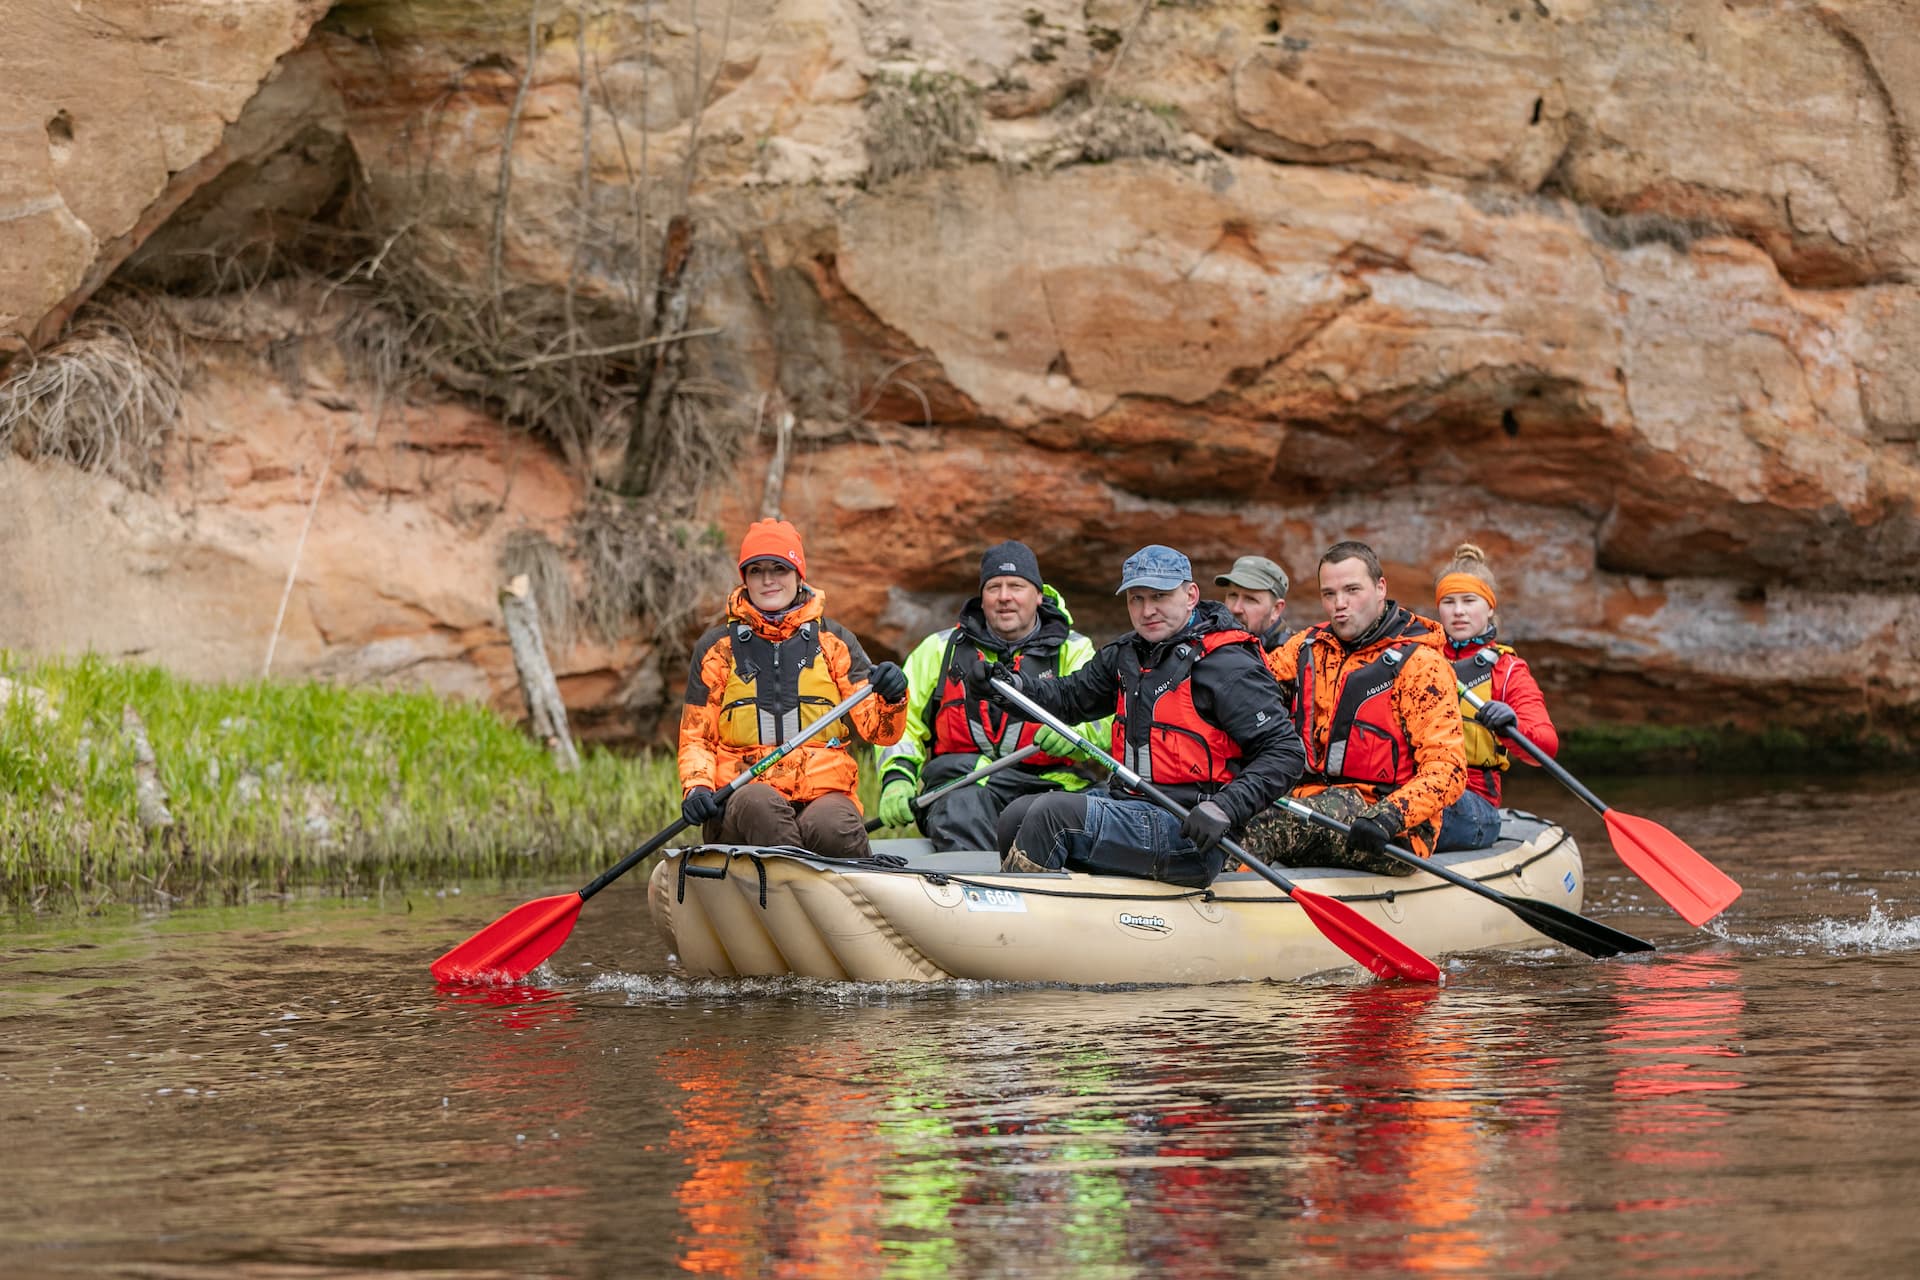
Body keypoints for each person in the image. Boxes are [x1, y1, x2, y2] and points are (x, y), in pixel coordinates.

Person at [982, 545, 1305, 887]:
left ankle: (1025, 922)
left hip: (1190, 832)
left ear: (1190, 595)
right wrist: (1007, 685)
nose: (1147, 610)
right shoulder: (1128, 653)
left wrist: (1225, 807)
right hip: (1130, 807)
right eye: (1136, 599)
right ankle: (1038, 910)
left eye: (1159, 596)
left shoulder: (1228, 663)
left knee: (1052, 816)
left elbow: (1285, 752)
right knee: (1016, 815)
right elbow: (1067, 698)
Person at [677, 519, 910, 858]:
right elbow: (696, 737)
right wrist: (697, 788)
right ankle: (796, 886)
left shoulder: (836, 643)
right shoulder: (717, 648)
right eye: (756, 571)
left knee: (833, 826)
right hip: (741, 800)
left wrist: (892, 698)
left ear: (799, 575)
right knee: (761, 805)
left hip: (823, 793)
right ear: (745, 579)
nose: (768, 580)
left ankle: (840, 897)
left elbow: (880, 732)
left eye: (779, 569)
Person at [1243, 540, 1467, 875]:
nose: (1339, 605)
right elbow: (1247, 690)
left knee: (1269, 824)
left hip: (1388, 825)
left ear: (1380, 588)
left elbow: (1449, 769)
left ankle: (1212, 902)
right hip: (1309, 801)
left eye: (1351, 590)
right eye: (1329, 594)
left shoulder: (1421, 665)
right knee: (1233, 806)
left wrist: (1392, 814)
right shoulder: (1306, 647)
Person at [875, 541, 1109, 851]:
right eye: (993, 587)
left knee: (1085, 813)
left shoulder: (1075, 650)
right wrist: (897, 779)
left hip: (1050, 786)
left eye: (1016, 586)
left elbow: (1107, 717)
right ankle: (977, 891)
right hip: (963, 784)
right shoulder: (939, 649)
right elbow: (904, 721)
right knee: (960, 807)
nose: (1004, 597)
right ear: (981, 598)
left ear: (1039, 595)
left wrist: (1077, 735)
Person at [1432, 542, 1560, 851]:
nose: (1458, 611)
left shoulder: (1508, 670)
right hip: (1419, 786)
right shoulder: (1421, 659)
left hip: (1474, 802)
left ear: (1490, 607)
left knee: (1429, 809)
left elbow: (1546, 746)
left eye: (1469, 600)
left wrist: (1511, 726)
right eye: (1449, 602)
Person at [1214, 554, 1292, 653]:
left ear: (1276, 609)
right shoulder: (1208, 642)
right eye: (1233, 595)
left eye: (1250, 599)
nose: (1236, 609)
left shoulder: (1292, 659)